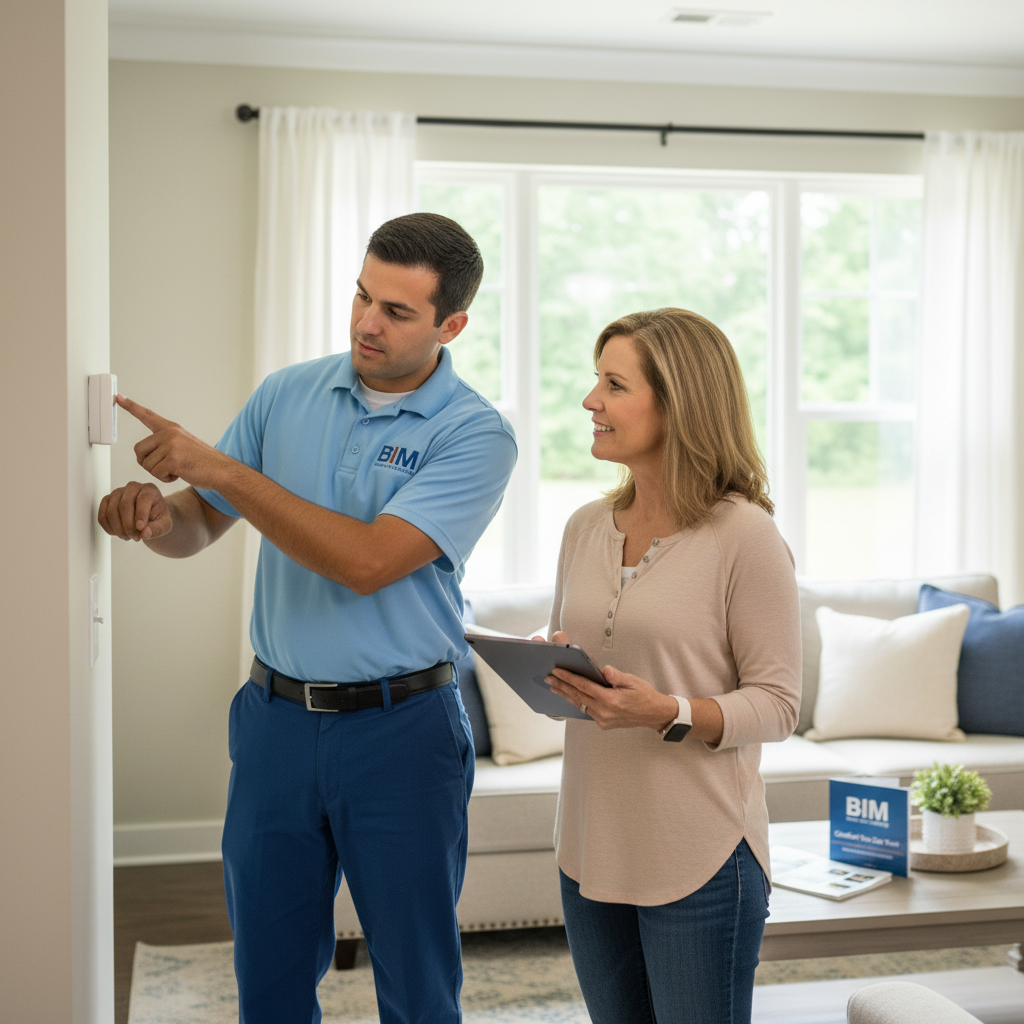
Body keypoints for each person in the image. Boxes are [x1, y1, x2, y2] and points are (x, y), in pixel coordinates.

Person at [97, 213, 518, 1024]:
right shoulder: (287, 393)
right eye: (363, 296)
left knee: (417, 984)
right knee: (270, 976)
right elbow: (200, 524)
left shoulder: (474, 434)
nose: (367, 321)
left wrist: (220, 467)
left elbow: (364, 563)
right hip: (275, 724)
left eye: (397, 311)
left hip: (405, 732)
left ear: (451, 324)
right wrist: (154, 517)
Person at [539, 307, 801, 1024]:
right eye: (596, 381)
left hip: (702, 857)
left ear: (676, 403)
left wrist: (669, 712)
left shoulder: (744, 535)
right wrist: (550, 663)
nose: (591, 401)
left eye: (614, 385)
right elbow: (602, 644)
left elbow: (778, 705)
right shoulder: (584, 528)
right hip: (589, 845)